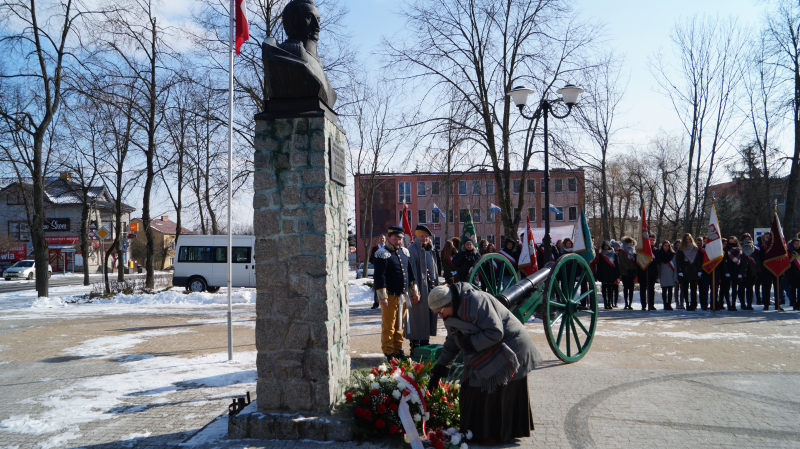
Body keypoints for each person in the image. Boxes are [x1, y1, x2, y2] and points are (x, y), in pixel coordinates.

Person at [426, 283, 542, 445]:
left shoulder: (476, 302)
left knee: (491, 387)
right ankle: (477, 432)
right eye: (436, 313)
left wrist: (469, 343)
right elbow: (452, 343)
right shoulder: (449, 315)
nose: (440, 316)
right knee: (471, 387)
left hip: (511, 347)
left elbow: (495, 331)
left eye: (440, 311)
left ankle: (497, 434)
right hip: (487, 346)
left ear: (450, 303)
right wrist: (439, 371)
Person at [372, 226, 419, 360]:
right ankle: (388, 351)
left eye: (400, 239)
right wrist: (382, 297)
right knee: (389, 326)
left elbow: (410, 274)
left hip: (403, 296)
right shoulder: (382, 253)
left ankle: (398, 350)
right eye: (395, 239)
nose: (398, 241)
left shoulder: (404, 253)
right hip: (390, 296)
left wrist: (414, 292)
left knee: (400, 325)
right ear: (389, 239)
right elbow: (379, 277)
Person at [407, 225, 439, 354]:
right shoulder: (412, 250)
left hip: (430, 288)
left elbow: (434, 270)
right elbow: (411, 273)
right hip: (419, 289)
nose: (424, 238)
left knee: (428, 317)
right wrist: (414, 292)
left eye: (426, 236)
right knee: (417, 318)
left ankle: (425, 345)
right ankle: (415, 348)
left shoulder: (430, 249)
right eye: (422, 236)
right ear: (416, 236)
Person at [677, 233, 701, 311]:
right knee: (685, 289)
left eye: (689, 239)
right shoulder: (681, 249)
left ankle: (693, 304)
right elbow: (679, 261)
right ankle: (687, 304)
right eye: (686, 239)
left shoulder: (695, 248)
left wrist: (699, 270)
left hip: (693, 270)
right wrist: (680, 270)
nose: (688, 240)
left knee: (694, 289)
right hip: (685, 271)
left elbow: (698, 261)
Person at [594, 241, 620, 310]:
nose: (606, 247)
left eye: (607, 246)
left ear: (609, 246)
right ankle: (605, 303)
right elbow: (599, 266)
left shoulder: (613, 254)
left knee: (610, 289)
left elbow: (616, 265)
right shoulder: (601, 254)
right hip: (603, 274)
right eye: (604, 246)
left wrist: (617, 275)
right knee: (604, 289)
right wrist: (598, 275)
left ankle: (610, 303)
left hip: (611, 273)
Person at [638, 230, 659, 311]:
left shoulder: (656, 250)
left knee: (651, 289)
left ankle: (651, 304)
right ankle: (643, 305)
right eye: (650, 240)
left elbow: (657, 261)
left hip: (652, 273)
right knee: (642, 289)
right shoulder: (642, 250)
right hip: (643, 272)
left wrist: (651, 258)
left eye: (653, 240)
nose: (652, 241)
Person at [739, 234, 759, 310]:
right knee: (741, 288)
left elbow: (757, 260)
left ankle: (749, 304)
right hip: (742, 271)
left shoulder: (754, 249)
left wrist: (758, 271)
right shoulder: (740, 248)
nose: (747, 240)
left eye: (748, 239)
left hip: (751, 271)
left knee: (750, 288)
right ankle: (742, 304)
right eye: (745, 239)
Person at [656, 241, 678, 310]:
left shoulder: (673, 254)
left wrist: (675, 276)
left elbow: (675, 266)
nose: (666, 247)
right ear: (662, 246)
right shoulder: (660, 254)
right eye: (665, 245)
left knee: (670, 290)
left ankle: (669, 304)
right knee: (664, 290)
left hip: (671, 274)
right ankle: (665, 304)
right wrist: (658, 275)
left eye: (667, 245)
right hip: (663, 274)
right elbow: (658, 265)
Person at [617, 237, 638, 310]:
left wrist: (635, 269)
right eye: (629, 242)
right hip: (625, 272)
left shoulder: (634, 250)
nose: (631, 244)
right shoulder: (622, 250)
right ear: (626, 243)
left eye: (631, 242)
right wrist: (628, 269)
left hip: (632, 272)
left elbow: (636, 260)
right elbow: (622, 261)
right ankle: (626, 303)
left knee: (631, 288)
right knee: (626, 288)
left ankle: (630, 304)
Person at [721, 237, 741, 311]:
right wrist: (726, 272)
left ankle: (733, 304)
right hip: (728, 271)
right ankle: (729, 305)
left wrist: (740, 272)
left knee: (734, 289)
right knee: (727, 289)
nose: (732, 243)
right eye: (730, 241)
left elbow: (741, 261)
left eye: (733, 241)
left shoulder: (739, 249)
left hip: (736, 271)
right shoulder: (726, 250)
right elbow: (724, 262)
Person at [368, 235, 387, 309]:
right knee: (377, 286)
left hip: (387, 271)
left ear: (385, 239)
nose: (382, 240)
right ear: (378, 240)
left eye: (383, 238)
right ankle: (376, 303)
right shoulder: (375, 248)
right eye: (380, 238)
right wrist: (378, 263)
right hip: (378, 270)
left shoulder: (388, 248)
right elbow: (371, 260)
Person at [786, 238, 800, 310]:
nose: (797, 245)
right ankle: (794, 303)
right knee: (793, 289)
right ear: (792, 244)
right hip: (792, 273)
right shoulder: (789, 252)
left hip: (799, 273)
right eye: (795, 244)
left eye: (798, 244)